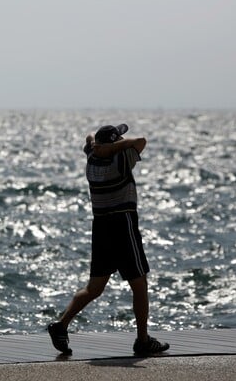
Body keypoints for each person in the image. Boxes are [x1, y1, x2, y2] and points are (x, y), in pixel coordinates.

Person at [47, 123, 169, 357]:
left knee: (94, 288)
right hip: (123, 225)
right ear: (114, 145)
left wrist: (98, 145)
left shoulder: (92, 161)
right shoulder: (120, 162)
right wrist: (114, 146)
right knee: (139, 283)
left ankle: (60, 325)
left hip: (101, 228)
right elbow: (140, 141)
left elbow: (90, 136)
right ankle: (142, 340)